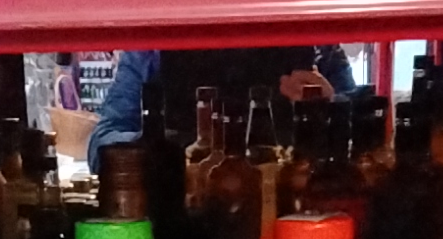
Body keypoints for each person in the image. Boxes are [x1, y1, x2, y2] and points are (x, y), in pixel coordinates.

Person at [87, 46, 357, 172]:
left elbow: (366, 136)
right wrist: (158, 147)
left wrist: (331, 110)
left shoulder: (320, 44)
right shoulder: (153, 45)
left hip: (292, 205)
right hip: (185, 216)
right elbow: (102, 144)